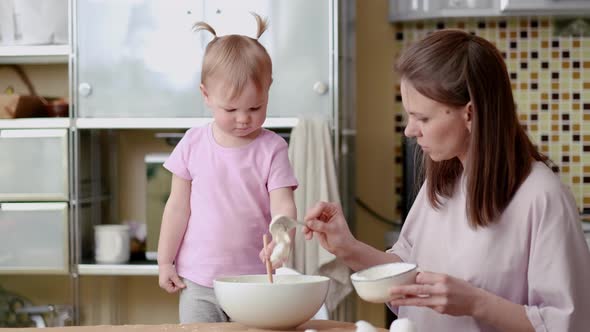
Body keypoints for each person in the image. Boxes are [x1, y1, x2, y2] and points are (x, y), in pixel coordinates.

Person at [302, 29, 590, 331]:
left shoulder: (542, 197)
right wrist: (347, 247)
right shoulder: (444, 182)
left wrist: (476, 303)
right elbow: (409, 276)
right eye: (409, 115)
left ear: (470, 114)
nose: (409, 131)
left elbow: (568, 324)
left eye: (422, 118)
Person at [157, 13, 298, 323]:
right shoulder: (193, 144)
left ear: (268, 91)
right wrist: (165, 261)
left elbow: (283, 201)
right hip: (197, 282)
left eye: (255, 108)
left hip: (255, 282)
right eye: (231, 109)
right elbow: (177, 208)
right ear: (206, 95)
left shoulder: (273, 148)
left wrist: (282, 235)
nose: (244, 118)